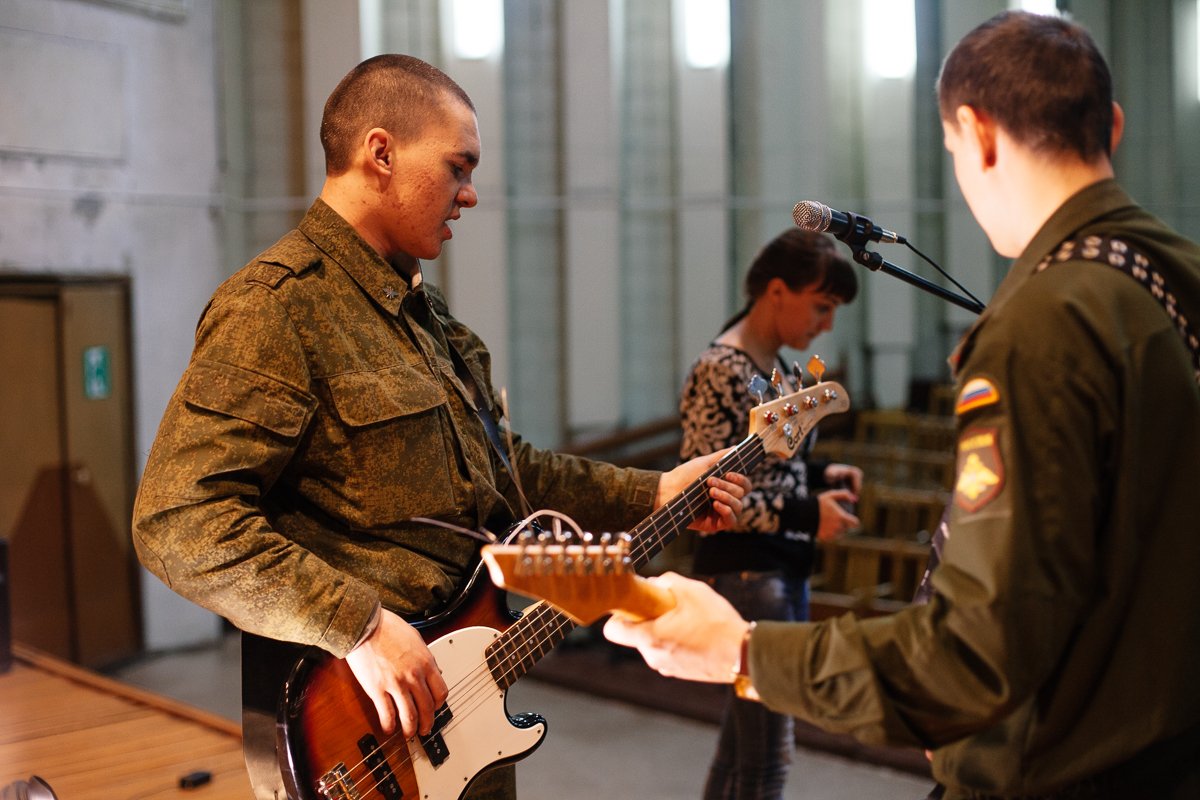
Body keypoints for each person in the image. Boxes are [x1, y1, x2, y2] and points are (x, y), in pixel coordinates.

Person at [605, 11, 1200, 800]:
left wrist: (747, 652)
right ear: (1112, 128)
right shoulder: (1177, 275)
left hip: (1060, 768)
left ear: (977, 132)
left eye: (953, 152)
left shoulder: (1043, 324)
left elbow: (974, 655)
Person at [131, 54, 749, 800]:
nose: (471, 193)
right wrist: (356, 625)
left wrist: (655, 492)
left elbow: (509, 475)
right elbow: (178, 519)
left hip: (462, 713)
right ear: (380, 153)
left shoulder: (431, 323)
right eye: (458, 166)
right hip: (361, 729)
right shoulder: (276, 310)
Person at [678, 228, 862, 799]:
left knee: (744, 747)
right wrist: (809, 513)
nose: (827, 324)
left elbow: (766, 470)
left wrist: (822, 474)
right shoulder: (722, 368)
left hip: (777, 569)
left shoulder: (775, 365)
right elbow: (704, 494)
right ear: (777, 291)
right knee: (767, 756)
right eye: (821, 306)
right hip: (747, 575)